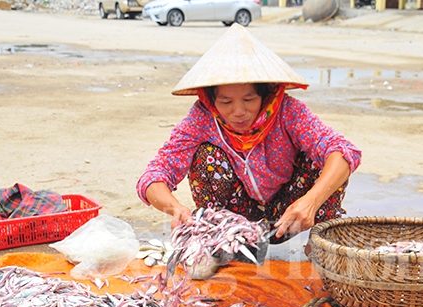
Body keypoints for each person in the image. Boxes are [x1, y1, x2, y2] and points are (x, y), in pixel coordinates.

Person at [136, 24, 361, 244]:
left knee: (327, 162)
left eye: (249, 99)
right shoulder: (202, 117)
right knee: (205, 156)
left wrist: (311, 200)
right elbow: (155, 173)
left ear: (264, 93)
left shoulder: (287, 110)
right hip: (236, 218)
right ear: (211, 99)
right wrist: (176, 209)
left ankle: (321, 244)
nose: (239, 112)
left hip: (289, 214)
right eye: (226, 101)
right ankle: (221, 241)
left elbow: (344, 152)